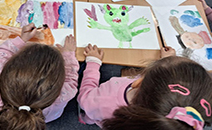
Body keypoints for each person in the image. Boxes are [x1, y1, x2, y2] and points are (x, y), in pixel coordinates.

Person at [77, 44, 212, 130]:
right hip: (109, 116)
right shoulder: (159, 123)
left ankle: (85, 119)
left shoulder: (104, 101)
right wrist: (166, 63)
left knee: (90, 114)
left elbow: (85, 97)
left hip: (97, 111)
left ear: (138, 82)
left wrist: (93, 64)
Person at [0, 23, 79, 130]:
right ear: (59, 81)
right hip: (41, 119)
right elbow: (71, 79)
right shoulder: (64, 94)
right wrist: (68, 54)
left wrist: (21, 39)